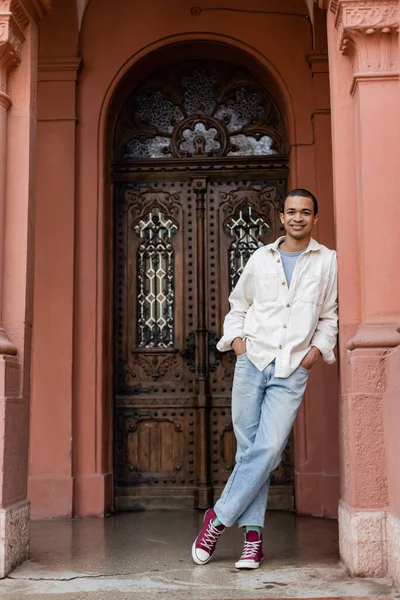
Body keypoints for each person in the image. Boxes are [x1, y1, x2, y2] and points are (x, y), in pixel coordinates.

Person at [191, 188, 338, 569]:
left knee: (268, 450)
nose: (298, 218)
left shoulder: (328, 262)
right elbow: (238, 306)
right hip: (252, 361)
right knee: (248, 452)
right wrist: (238, 343)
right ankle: (253, 541)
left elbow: (330, 317)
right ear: (282, 218)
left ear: (315, 218)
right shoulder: (260, 258)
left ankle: (218, 518)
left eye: (306, 212)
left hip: (292, 368)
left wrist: (315, 353)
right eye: (291, 212)